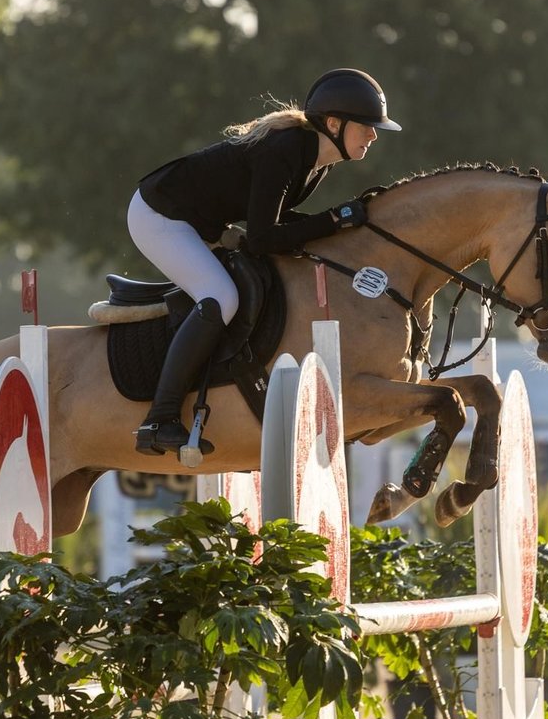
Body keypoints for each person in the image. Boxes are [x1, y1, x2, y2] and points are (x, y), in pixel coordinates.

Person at [128, 67, 402, 457]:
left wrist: (336, 225)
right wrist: (334, 220)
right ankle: (159, 418)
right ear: (335, 124)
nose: (374, 135)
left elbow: (273, 224)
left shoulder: (316, 159)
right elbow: (260, 239)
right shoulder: (286, 150)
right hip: (160, 215)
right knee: (221, 297)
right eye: (367, 126)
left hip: (197, 220)